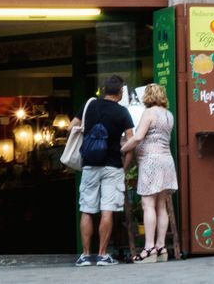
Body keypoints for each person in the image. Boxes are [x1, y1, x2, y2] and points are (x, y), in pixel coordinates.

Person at [72, 75, 135, 267]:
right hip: (112, 165)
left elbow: (71, 127)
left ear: (103, 90)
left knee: (87, 209)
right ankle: (102, 255)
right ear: (120, 92)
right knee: (107, 209)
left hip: (90, 163)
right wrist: (124, 166)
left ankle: (84, 255)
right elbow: (131, 142)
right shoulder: (123, 112)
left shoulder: (89, 105)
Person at [120, 82, 179, 263]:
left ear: (148, 96)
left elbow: (138, 137)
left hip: (151, 162)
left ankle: (149, 248)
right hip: (166, 161)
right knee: (161, 206)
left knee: (147, 205)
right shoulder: (168, 115)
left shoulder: (149, 113)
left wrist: (122, 149)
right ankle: (161, 247)